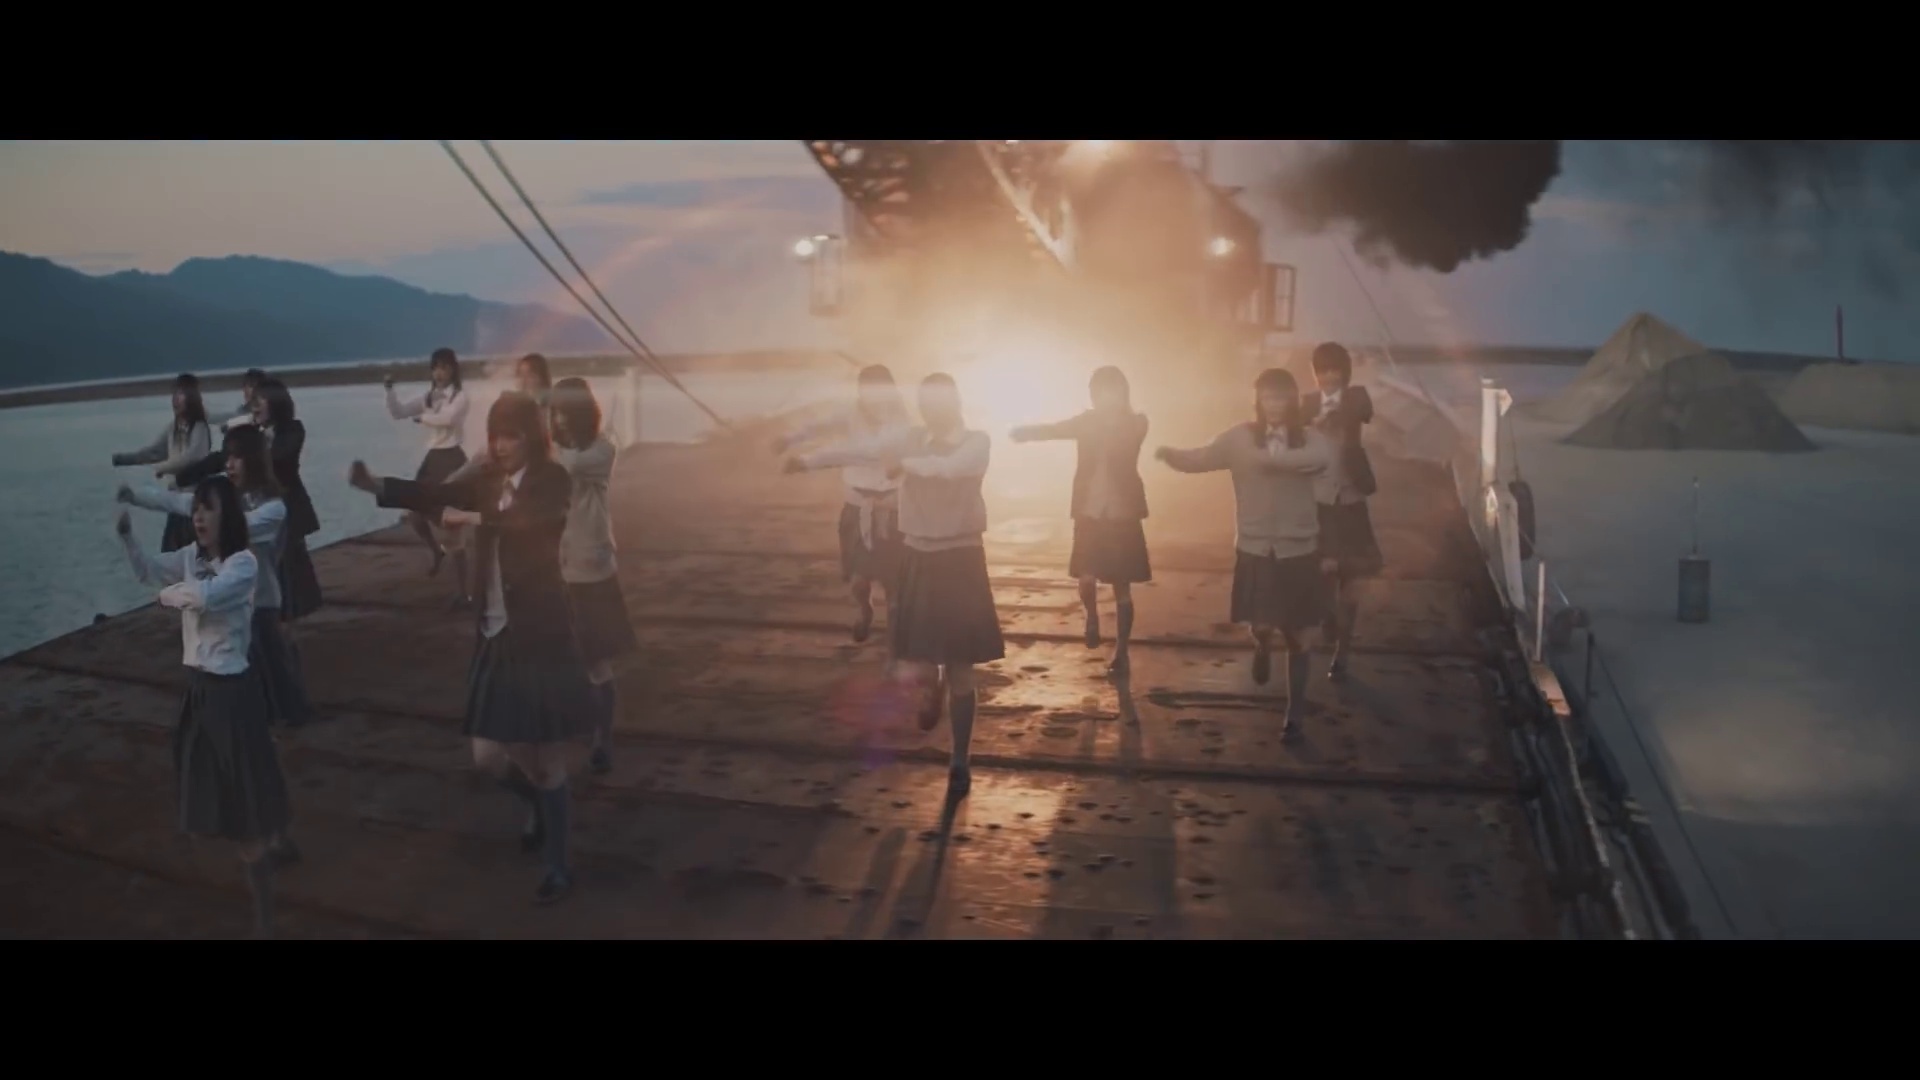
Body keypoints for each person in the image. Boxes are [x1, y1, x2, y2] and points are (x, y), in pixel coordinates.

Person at [348, 393, 593, 905]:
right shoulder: (487, 478)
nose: (501, 445)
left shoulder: (552, 479)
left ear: (532, 436)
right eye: (495, 435)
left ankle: (558, 866)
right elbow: (434, 494)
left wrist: (473, 519)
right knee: (488, 757)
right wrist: (378, 485)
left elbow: (534, 520)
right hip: (494, 633)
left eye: (511, 435)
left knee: (545, 761)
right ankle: (538, 804)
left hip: (538, 636)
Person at [785, 373, 999, 802]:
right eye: (926, 402)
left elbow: (949, 470)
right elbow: (858, 449)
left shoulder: (977, 442)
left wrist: (906, 465)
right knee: (920, 660)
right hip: (917, 556)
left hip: (960, 560)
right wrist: (807, 461)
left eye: (939, 401)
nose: (931, 409)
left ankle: (960, 760)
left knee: (961, 670)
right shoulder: (908, 438)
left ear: (955, 403)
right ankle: (930, 687)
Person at [115, 475, 296, 938]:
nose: (197, 516)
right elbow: (148, 572)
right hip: (199, 691)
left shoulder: (243, 564)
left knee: (246, 817)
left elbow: (201, 597)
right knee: (217, 796)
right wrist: (128, 538)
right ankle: (272, 839)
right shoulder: (191, 558)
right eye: (195, 508)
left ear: (227, 515)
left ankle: (265, 917)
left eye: (207, 508)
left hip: (232, 693)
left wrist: (167, 596)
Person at [1154, 368, 1334, 735]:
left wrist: (1270, 460)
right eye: (1267, 397)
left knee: (1299, 636)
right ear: (1259, 401)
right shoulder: (1239, 438)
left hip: (1299, 549)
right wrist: (1171, 455)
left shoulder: (1310, 440)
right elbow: (1203, 457)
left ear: (1293, 401)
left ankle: (1294, 715)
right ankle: (1262, 645)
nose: (1274, 405)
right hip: (1256, 547)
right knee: (1263, 625)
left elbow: (1322, 459)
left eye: (1281, 397)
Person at [121, 426, 315, 727]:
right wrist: (137, 496)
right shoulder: (231, 501)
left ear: (254, 460)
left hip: (262, 601)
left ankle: (287, 719)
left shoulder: (273, 509)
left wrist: (205, 507)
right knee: (250, 672)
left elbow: (232, 523)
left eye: (237, 458)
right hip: (238, 601)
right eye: (227, 458)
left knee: (275, 671)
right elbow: (182, 503)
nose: (230, 465)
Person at [1010, 365, 1150, 676]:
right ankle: (1091, 615)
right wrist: (1029, 433)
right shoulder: (1086, 422)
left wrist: (1104, 424)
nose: (1106, 396)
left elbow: (1124, 445)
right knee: (1086, 579)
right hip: (1090, 510)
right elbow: (1057, 429)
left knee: (1122, 588)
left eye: (1112, 390)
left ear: (1122, 393)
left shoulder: (1137, 422)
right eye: (1100, 391)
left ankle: (1122, 651)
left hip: (1122, 514)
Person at [772, 364, 914, 645]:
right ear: (860, 390)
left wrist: (808, 461)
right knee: (859, 581)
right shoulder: (849, 411)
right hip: (857, 506)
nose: (874, 396)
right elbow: (819, 426)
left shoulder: (901, 420)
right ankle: (865, 610)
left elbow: (863, 452)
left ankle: (898, 640)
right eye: (868, 389)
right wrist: (789, 439)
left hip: (892, 509)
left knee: (894, 583)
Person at [177, 377, 324, 623]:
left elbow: (280, 456)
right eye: (252, 401)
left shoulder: (292, 430)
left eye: (260, 400)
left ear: (276, 402)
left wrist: (251, 446)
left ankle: (289, 618)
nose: (254, 406)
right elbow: (222, 457)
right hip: (259, 505)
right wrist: (190, 473)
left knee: (291, 566)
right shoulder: (253, 436)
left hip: (288, 506)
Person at [548, 377, 639, 775]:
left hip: (591, 566)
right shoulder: (556, 450)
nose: (558, 419)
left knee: (596, 658)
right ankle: (577, 724)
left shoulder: (602, 449)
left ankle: (603, 736)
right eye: (554, 411)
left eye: (564, 411)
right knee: (566, 653)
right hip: (557, 561)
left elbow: (567, 466)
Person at [1304, 343, 1382, 680]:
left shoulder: (1356, 397)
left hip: (1351, 500)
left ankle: (1343, 653)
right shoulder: (1307, 403)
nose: (1329, 376)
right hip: (1319, 501)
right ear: (1315, 373)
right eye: (1323, 370)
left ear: (1345, 372)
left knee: (1352, 581)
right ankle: (1328, 617)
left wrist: (1335, 417)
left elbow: (1363, 411)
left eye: (1335, 370)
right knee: (1320, 575)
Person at [385, 348, 473, 604]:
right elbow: (398, 412)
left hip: (452, 459)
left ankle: (463, 591)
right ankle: (436, 551)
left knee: (453, 528)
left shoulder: (460, 396)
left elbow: (448, 419)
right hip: (433, 459)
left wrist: (422, 417)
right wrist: (389, 390)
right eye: (436, 368)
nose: (439, 373)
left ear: (453, 370)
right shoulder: (428, 396)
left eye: (444, 367)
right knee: (414, 512)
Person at [111, 373, 211, 552]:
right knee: (170, 554)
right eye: (174, 394)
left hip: (194, 503)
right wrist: (126, 459)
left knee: (196, 556)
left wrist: (163, 468)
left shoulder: (200, 427)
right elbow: (155, 452)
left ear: (192, 397)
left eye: (181, 394)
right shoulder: (172, 428)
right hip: (174, 502)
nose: (175, 399)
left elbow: (191, 457)